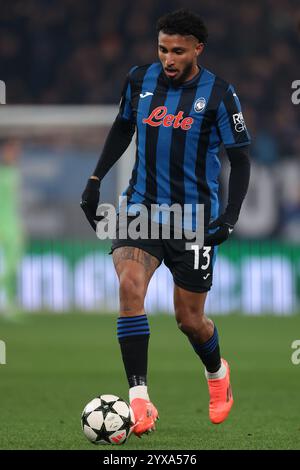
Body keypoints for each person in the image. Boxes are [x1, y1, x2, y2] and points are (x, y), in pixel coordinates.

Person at [81, 9, 251, 436]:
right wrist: (94, 180)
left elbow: (241, 158)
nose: (168, 59)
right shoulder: (140, 80)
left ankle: (216, 373)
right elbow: (122, 128)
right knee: (128, 286)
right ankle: (140, 401)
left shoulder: (220, 94)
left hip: (194, 220)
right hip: (142, 208)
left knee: (189, 320)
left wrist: (229, 218)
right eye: (162, 49)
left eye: (178, 51)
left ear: (198, 49)